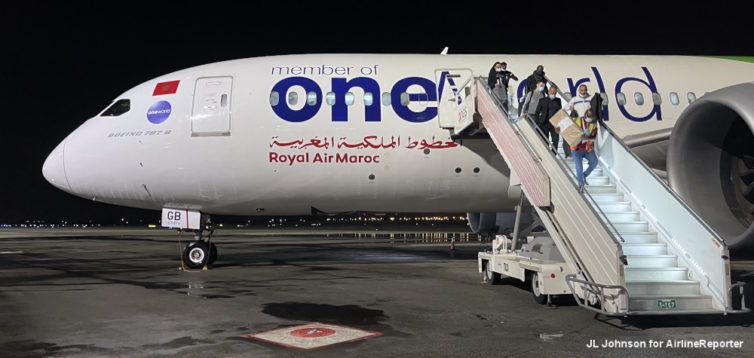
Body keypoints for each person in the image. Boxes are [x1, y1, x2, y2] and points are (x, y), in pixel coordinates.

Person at [570, 108, 599, 193]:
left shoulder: (593, 124)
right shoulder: (577, 120)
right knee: (579, 167)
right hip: (576, 149)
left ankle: (583, 176)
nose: (589, 122)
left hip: (587, 148)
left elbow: (594, 136)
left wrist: (587, 137)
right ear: (585, 115)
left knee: (594, 162)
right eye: (588, 119)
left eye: (591, 119)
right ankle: (581, 186)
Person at [534, 85, 562, 152]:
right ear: (549, 92)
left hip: (554, 124)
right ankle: (546, 154)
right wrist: (538, 123)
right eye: (551, 92)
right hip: (544, 123)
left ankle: (554, 154)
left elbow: (560, 112)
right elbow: (537, 112)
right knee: (545, 140)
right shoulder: (542, 100)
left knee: (555, 140)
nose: (553, 94)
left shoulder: (558, 100)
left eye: (554, 92)